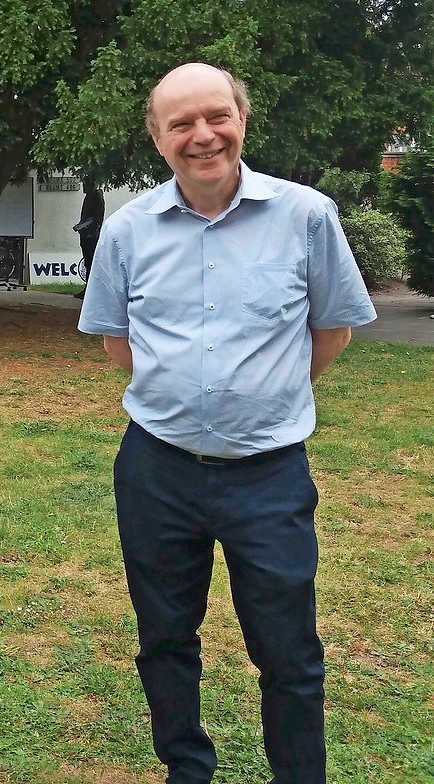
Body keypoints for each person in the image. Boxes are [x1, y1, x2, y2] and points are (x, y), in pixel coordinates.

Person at [78, 62, 376, 784]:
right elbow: (119, 345)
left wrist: (263, 398)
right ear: (157, 139)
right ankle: (188, 769)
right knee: (165, 639)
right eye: (180, 124)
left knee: (288, 650)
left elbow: (331, 330)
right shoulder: (127, 232)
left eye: (217, 116)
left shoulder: (307, 216)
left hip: (269, 477)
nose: (202, 135)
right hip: (157, 469)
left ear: (242, 118)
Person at [72, 177, 104, 298]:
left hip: (91, 235)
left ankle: (91, 290)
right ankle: (88, 288)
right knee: (87, 263)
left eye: (85, 183)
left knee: (90, 263)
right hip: (86, 235)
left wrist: (81, 226)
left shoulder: (96, 197)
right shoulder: (90, 197)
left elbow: (94, 218)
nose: (83, 186)